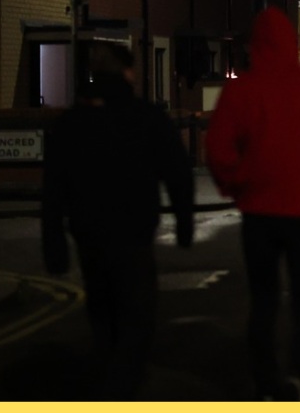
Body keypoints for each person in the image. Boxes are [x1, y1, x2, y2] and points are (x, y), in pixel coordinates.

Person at [205, 7, 300, 401]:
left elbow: (217, 151)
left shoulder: (240, 91)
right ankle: (298, 377)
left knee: (264, 300)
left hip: (259, 213)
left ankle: (266, 382)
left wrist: (239, 186)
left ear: (254, 47)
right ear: (294, 44)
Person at [41, 42, 195, 400]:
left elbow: (53, 189)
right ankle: (124, 386)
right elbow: (177, 173)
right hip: (133, 234)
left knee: (103, 312)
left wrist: (54, 243)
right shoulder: (145, 117)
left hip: (89, 235)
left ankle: (108, 377)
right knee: (136, 317)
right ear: (127, 74)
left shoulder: (71, 124)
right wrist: (184, 223)